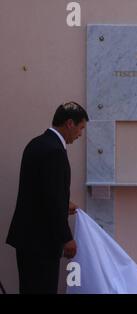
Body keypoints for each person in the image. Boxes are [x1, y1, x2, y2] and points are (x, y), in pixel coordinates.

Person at [6, 102, 89, 294]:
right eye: (81, 128)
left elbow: (41, 191)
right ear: (70, 123)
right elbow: (51, 200)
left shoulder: (36, 143)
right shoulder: (55, 152)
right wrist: (67, 238)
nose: (80, 134)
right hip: (41, 243)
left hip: (27, 239)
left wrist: (63, 204)